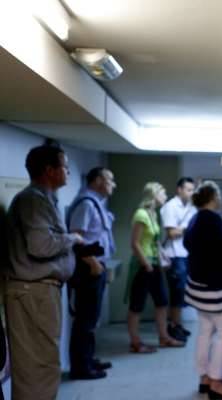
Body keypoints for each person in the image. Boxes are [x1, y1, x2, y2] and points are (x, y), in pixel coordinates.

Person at [3, 144, 83, 399]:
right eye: (65, 167)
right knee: (38, 366)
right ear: (50, 170)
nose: (68, 172)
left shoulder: (43, 198)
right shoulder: (32, 200)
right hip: (33, 291)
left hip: (39, 291)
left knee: (43, 363)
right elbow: (40, 245)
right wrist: (72, 238)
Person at [67, 167, 117, 380]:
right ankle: (81, 367)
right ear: (97, 181)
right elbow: (76, 237)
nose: (113, 184)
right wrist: (93, 262)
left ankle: (88, 359)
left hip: (96, 266)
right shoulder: (86, 204)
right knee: (85, 320)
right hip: (88, 268)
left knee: (92, 318)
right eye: (110, 180)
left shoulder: (96, 202)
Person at [184, 181, 222, 398]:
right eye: (218, 195)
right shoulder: (213, 221)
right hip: (214, 291)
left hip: (197, 289)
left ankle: (204, 377)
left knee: (205, 331)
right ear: (212, 198)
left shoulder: (195, 219)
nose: (220, 199)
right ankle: (216, 381)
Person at [125, 182, 185, 353]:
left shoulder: (153, 214)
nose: (165, 196)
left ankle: (164, 337)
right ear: (154, 195)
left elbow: (155, 241)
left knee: (162, 301)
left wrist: (162, 257)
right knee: (137, 304)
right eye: (163, 193)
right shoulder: (141, 214)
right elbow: (135, 243)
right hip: (143, 265)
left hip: (155, 264)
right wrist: (146, 264)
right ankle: (135, 342)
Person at [160, 177, 196, 341]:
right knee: (176, 292)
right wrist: (188, 228)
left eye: (192, 190)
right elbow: (171, 233)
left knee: (182, 293)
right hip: (175, 256)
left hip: (186, 254)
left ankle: (178, 325)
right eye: (188, 189)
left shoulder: (190, 207)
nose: (191, 193)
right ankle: (173, 327)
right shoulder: (170, 207)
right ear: (179, 190)